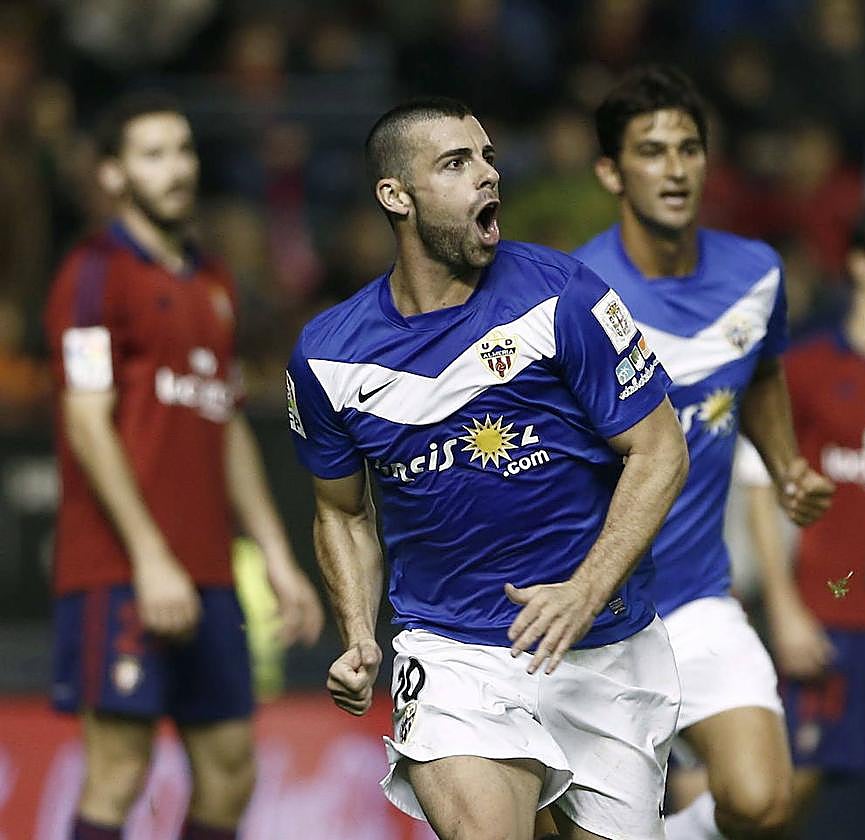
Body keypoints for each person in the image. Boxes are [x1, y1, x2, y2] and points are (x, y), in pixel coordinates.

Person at [286, 97, 689, 840]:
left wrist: (583, 591)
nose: (486, 176)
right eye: (455, 163)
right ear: (395, 196)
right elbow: (341, 509)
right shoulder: (327, 355)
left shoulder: (563, 295)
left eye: (487, 157)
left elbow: (661, 450)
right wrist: (359, 637)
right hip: (454, 650)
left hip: (605, 647)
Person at [43, 92, 324, 840]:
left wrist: (274, 556)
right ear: (112, 175)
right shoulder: (93, 274)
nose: (176, 168)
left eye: (185, 150)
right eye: (153, 153)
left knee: (232, 770)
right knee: (119, 771)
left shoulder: (214, 282)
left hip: (207, 569)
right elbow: (86, 422)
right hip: (120, 567)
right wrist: (149, 557)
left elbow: (223, 420)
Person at [574, 66, 834, 840]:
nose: (675, 167)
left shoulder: (756, 274)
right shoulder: (574, 292)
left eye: (689, 148)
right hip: (592, 614)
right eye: (651, 151)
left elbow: (762, 371)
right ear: (610, 172)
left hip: (695, 597)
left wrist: (785, 463)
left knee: (761, 803)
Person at [737, 211, 865, 839]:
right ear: (860, 264)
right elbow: (759, 478)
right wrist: (784, 605)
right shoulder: (812, 368)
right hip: (835, 606)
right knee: (787, 793)